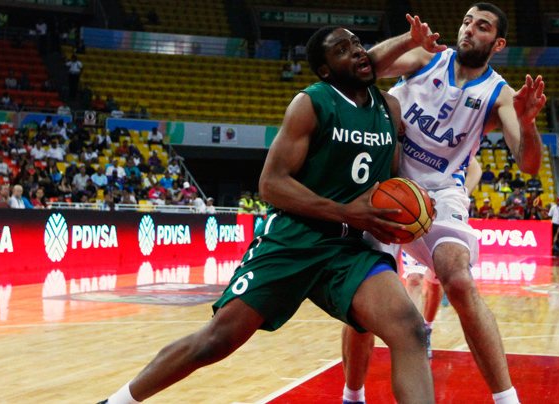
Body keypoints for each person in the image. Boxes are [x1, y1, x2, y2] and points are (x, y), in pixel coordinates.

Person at [99, 25, 436, 404]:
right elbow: (272, 185)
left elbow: (389, 182)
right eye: (343, 50)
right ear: (325, 70)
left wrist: (413, 206)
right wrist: (345, 211)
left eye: (357, 44)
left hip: (348, 249)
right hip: (294, 237)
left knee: (409, 329)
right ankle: (116, 402)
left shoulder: (389, 108)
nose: (357, 51)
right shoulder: (312, 103)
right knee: (217, 340)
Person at [343, 4, 546, 404]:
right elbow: (363, 70)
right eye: (467, 21)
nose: (470, 29)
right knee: (364, 298)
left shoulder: (500, 94)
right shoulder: (427, 56)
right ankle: (353, 395)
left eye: (482, 26)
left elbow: (528, 164)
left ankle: (507, 399)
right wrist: (407, 40)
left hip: (440, 193)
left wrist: (527, 123)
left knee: (460, 280)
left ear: (498, 43)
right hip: (387, 182)